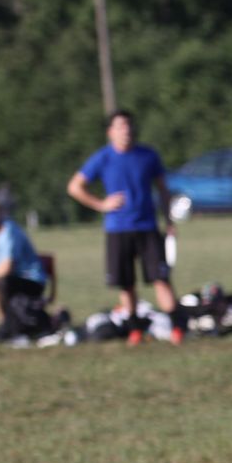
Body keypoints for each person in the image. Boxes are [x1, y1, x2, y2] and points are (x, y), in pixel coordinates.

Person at [66, 109, 184, 344]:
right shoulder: (103, 158)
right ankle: (135, 331)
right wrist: (101, 204)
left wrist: (169, 220)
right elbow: (75, 187)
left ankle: (178, 328)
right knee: (126, 283)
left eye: (129, 125)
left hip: (147, 227)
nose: (126, 130)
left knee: (161, 278)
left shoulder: (148, 155)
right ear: (110, 132)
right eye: (120, 126)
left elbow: (162, 189)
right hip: (118, 229)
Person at [0, 197, 53, 341]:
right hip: (13, 279)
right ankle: (6, 325)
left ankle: (8, 327)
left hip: (31, 279)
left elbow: (7, 268)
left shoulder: (8, 231)